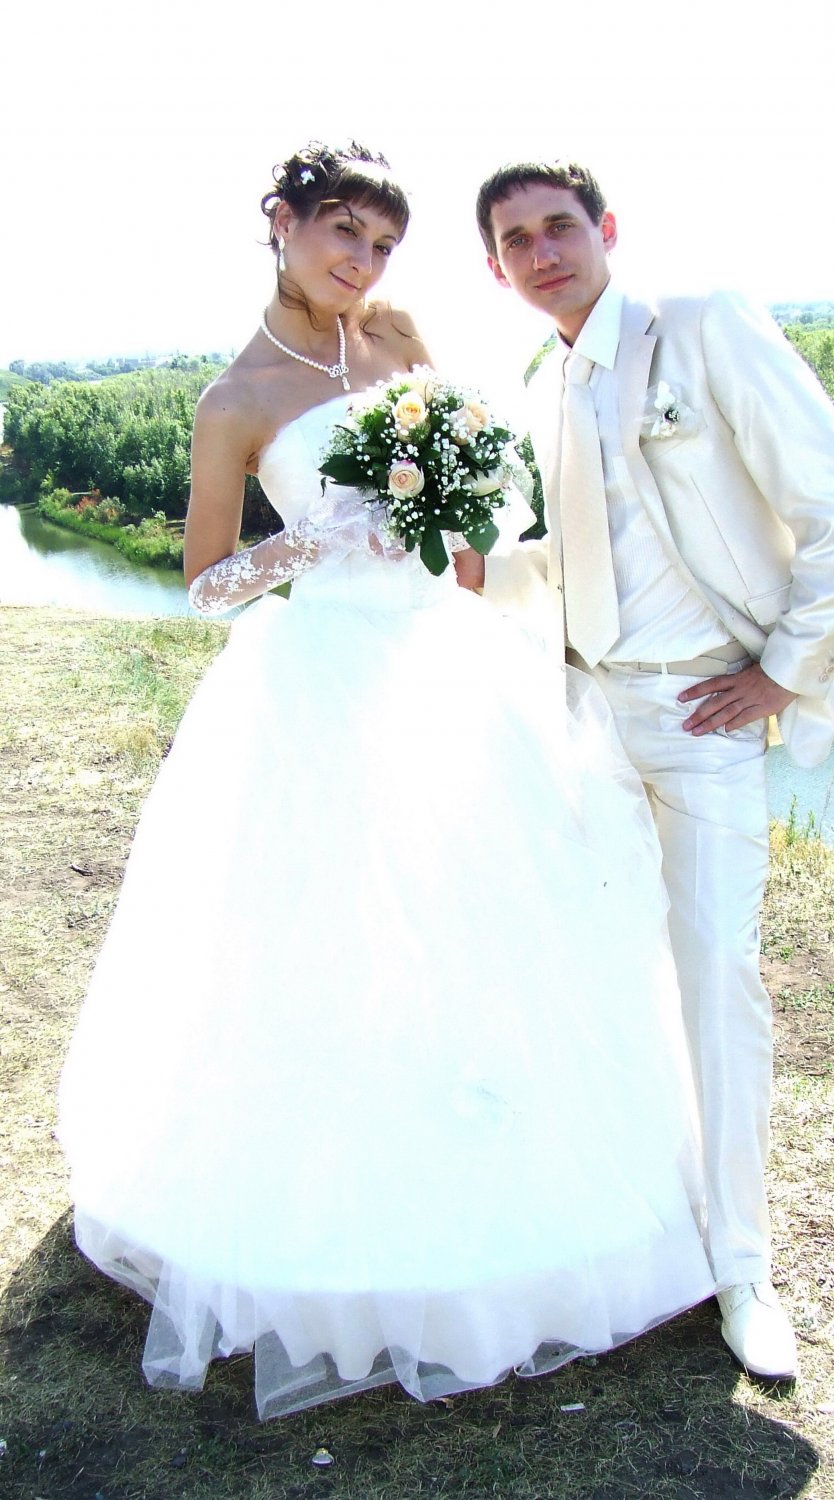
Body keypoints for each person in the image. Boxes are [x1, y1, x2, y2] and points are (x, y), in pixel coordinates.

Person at [58, 141, 718, 1421]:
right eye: (341, 234)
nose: (360, 263)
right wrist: (306, 541)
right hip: (316, 678)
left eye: (380, 244)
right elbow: (203, 583)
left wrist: (457, 522)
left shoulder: (401, 337)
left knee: (490, 912)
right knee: (326, 932)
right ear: (282, 223)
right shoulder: (234, 400)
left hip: (442, 659)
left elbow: (464, 515)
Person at [474, 159, 834, 1381]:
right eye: (516, 240)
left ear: (606, 228)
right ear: (494, 269)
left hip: (706, 713)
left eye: (560, 226)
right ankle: (643, 1225)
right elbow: (573, 562)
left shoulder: (700, 326)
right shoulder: (542, 381)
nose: (543, 252)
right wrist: (472, 567)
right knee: (606, 979)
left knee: (718, 983)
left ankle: (745, 1272)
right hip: (588, 719)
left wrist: (786, 667)